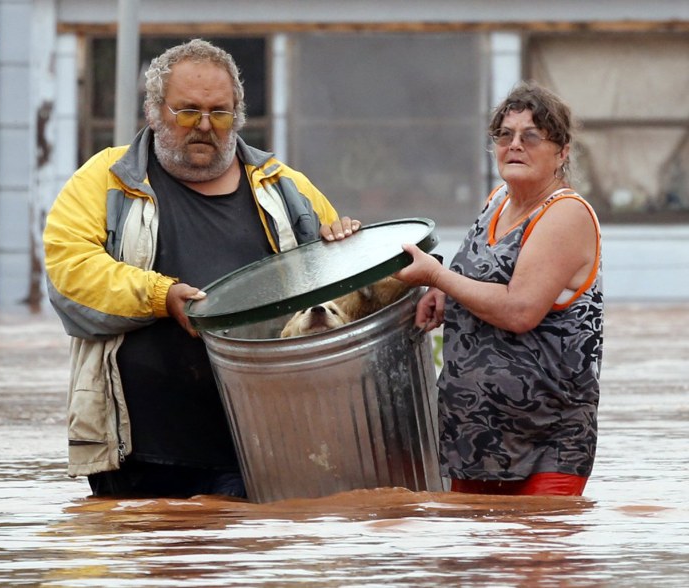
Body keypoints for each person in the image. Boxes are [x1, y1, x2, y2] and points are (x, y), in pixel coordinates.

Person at [43, 39, 359, 499]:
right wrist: (162, 298)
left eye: (221, 112)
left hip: (264, 447)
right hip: (141, 452)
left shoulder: (284, 187)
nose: (206, 126)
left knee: (241, 564)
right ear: (154, 112)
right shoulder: (105, 180)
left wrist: (358, 249)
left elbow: (342, 297)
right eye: (188, 111)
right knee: (139, 565)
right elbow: (69, 275)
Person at [395, 81, 602, 496]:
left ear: (562, 151)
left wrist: (437, 278)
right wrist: (444, 295)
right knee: (476, 560)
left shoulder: (566, 214)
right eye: (505, 136)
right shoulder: (496, 202)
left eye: (531, 136)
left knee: (533, 557)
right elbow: (476, 280)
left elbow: (519, 311)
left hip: (546, 443)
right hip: (473, 439)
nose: (515, 146)